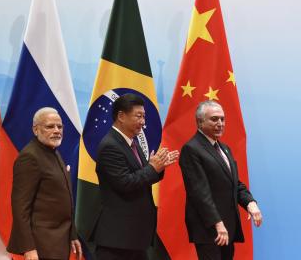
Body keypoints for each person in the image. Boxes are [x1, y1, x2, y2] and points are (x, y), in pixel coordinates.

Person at [92, 93, 179, 260]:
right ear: (121, 116)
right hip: (117, 239)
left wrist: (157, 168)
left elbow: (141, 178)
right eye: (138, 116)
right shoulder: (110, 146)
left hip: (134, 237)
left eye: (144, 117)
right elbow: (125, 183)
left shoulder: (133, 143)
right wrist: (152, 168)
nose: (143, 122)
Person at [179, 100, 262, 260]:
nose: (220, 123)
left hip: (227, 225)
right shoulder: (191, 149)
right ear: (200, 122)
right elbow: (199, 192)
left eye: (222, 119)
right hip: (209, 228)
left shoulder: (224, 148)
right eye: (214, 119)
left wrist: (250, 203)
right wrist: (217, 223)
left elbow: (234, 184)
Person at [7, 107, 82, 260]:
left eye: (59, 126)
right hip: (41, 245)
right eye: (50, 126)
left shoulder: (53, 151)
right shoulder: (30, 157)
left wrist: (72, 234)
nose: (56, 130)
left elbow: (64, 198)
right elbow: (20, 206)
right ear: (36, 130)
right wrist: (28, 248)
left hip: (59, 241)